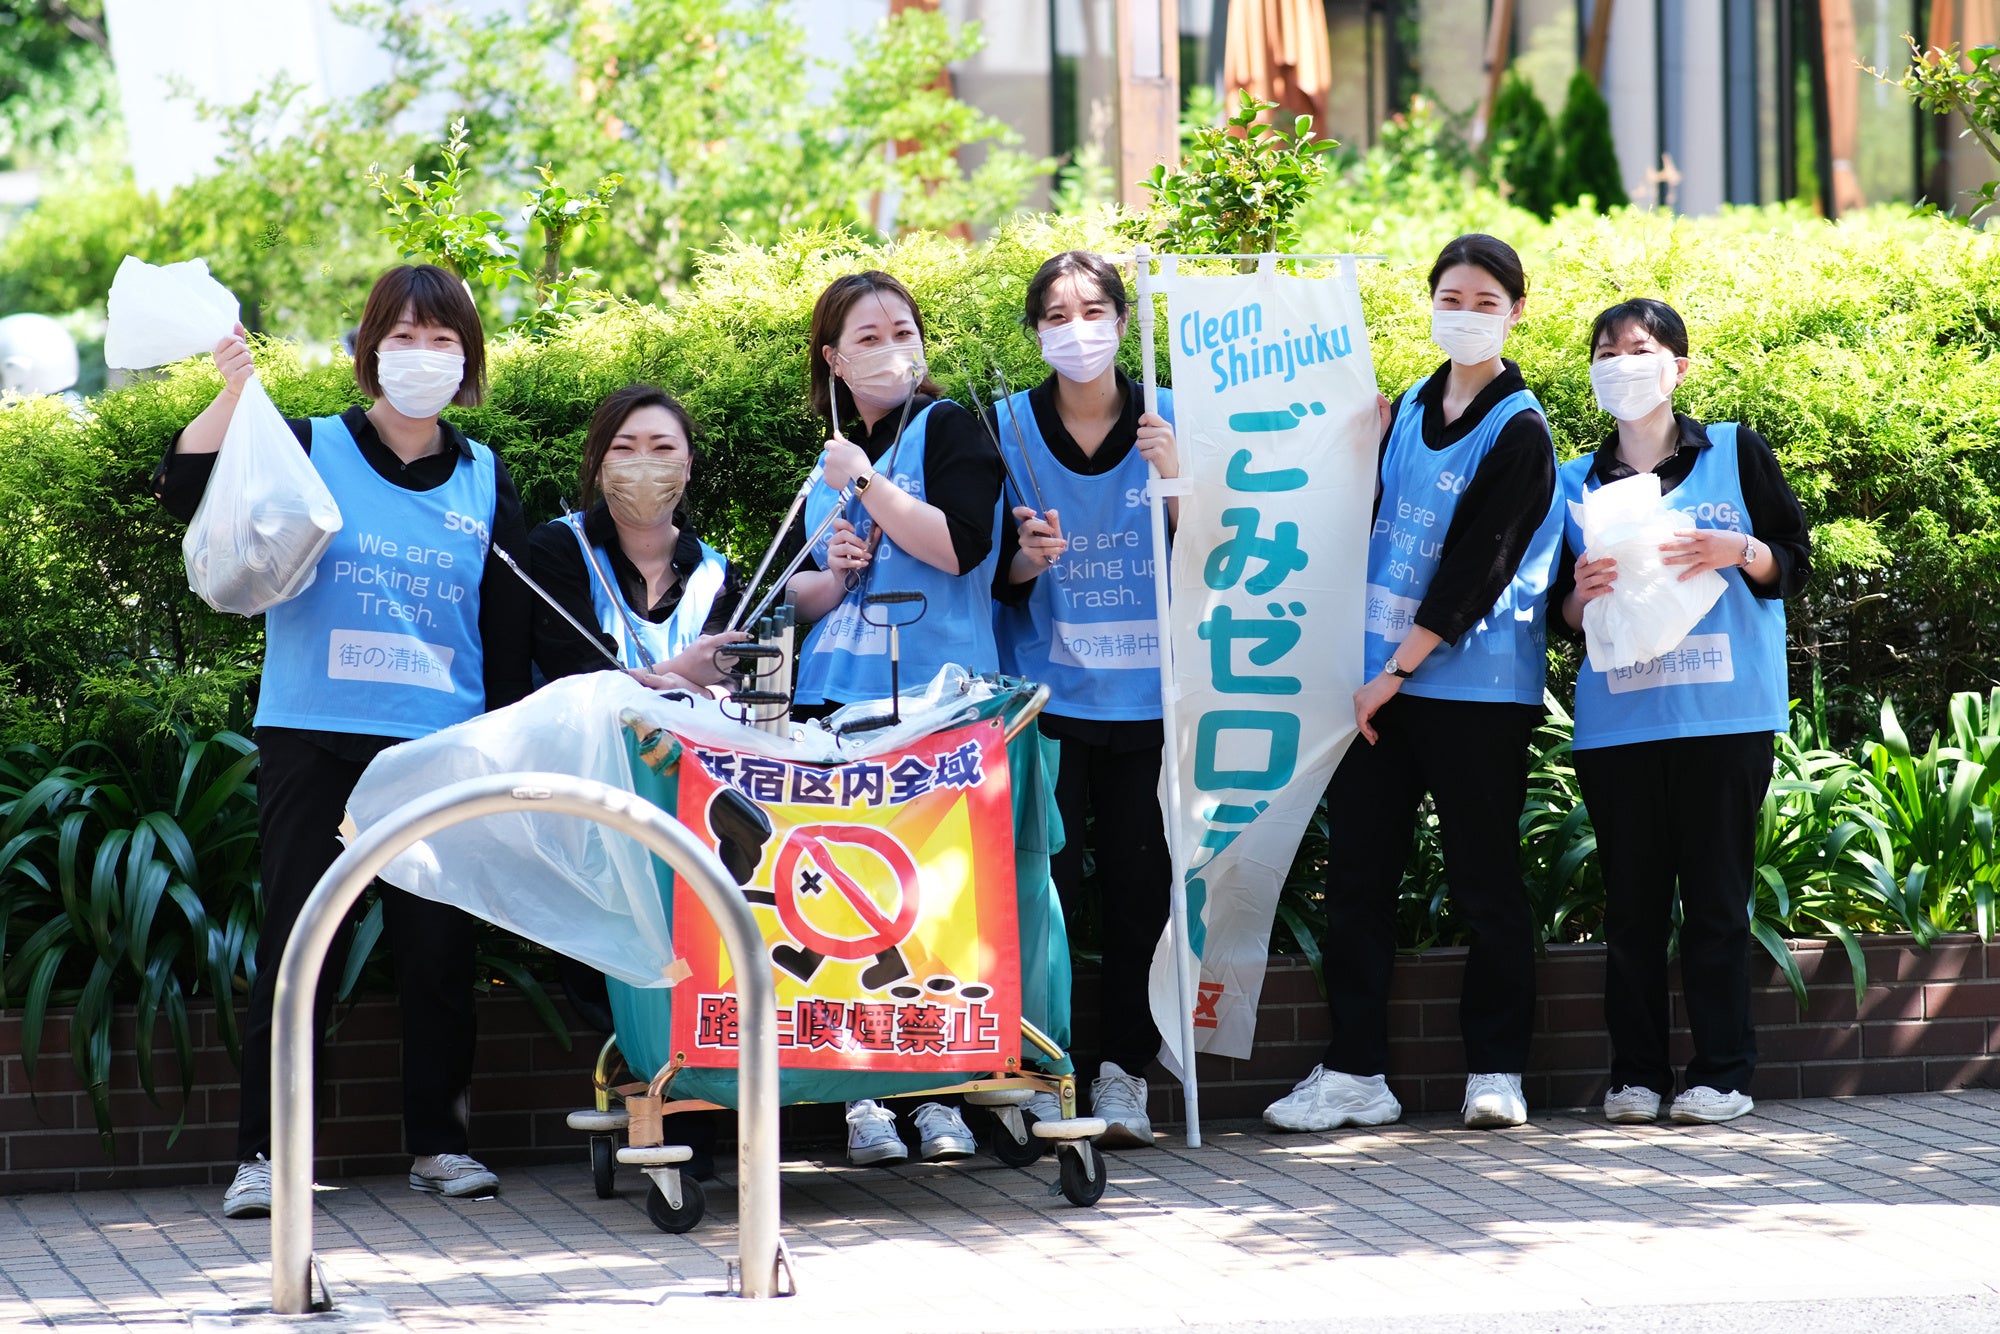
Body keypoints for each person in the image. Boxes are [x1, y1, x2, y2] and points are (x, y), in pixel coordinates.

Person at [150, 264, 533, 1217]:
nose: (422, 355)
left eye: (442, 340)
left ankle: (441, 1146)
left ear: (468, 360)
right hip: (313, 736)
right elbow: (183, 484)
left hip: (437, 749)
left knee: (439, 952)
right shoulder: (310, 443)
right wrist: (234, 392)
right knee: (298, 946)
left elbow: (506, 627)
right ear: (369, 351)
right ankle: (266, 1156)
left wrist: (504, 746)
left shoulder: (486, 477)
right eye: (402, 337)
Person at [1262, 234, 1562, 1135]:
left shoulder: (1521, 430)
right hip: (1378, 688)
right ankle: (1356, 1072)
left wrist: (1395, 670)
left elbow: (1479, 567)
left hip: (1472, 695)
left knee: (1485, 883)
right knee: (1358, 879)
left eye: (1486, 302)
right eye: (1452, 298)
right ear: (1430, 303)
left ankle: (1497, 1071)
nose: (1465, 315)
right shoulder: (1409, 408)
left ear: (1516, 313)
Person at [1552, 298, 1810, 1126]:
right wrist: (1578, 595)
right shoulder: (1573, 482)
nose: (1621, 364)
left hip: (1724, 717)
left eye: (1639, 349)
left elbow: (1794, 561)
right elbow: (1557, 616)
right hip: (1620, 725)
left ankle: (1722, 1073)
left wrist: (1740, 549)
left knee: (1716, 904)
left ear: (1678, 367)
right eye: (1606, 352)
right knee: (1630, 911)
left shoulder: (1734, 450)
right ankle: (1635, 1075)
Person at [785, 270, 1003, 1167]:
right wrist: (833, 570)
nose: (890, 350)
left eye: (903, 331)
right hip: (836, 702)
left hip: (932, 702)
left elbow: (959, 547)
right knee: (845, 901)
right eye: (867, 339)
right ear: (834, 361)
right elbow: (802, 595)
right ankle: (862, 1098)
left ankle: (936, 1094)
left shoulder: (948, 430)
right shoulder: (833, 460)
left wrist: (868, 484)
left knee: (932, 899)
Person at [527, 382, 748, 1178]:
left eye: (662, 449)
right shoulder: (555, 551)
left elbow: (735, 687)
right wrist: (679, 673)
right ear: (597, 462)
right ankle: (645, 1090)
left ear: (688, 466)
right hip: (587, 796)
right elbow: (566, 664)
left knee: (700, 943)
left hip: (691, 803)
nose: (643, 465)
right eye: (624, 448)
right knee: (610, 956)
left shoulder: (715, 571)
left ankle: (696, 1117)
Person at [989, 250, 1178, 1148]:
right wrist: (1028, 559)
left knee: (1143, 892)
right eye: (1057, 316)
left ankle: (1125, 1073)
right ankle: (1044, 1069)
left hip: (1152, 703)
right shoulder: (1004, 430)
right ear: (1035, 333)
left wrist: (1177, 483)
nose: (1079, 331)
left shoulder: (1169, 421)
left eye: (1095, 311)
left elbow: (1225, 557)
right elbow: (985, 574)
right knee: (1044, 898)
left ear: (1125, 320)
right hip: (1047, 705)